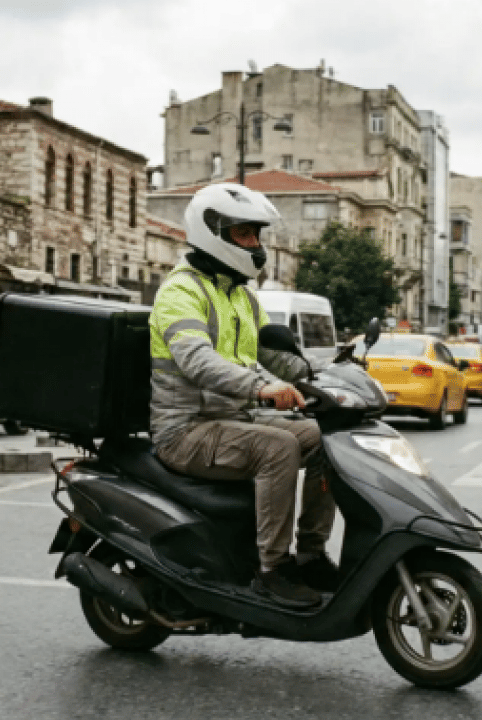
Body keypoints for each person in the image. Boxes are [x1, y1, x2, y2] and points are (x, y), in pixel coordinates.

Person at [149, 183, 337, 609]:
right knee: (279, 447)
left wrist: (327, 374)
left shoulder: (241, 295)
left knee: (325, 439)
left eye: (256, 234)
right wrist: (260, 387)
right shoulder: (180, 292)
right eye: (244, 234)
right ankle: (273, 570)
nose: (255, 244)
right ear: (212, 232)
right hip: (185, 430)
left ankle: (311, 555)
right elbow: (196, 359)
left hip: (232, 420)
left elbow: (274, 355)